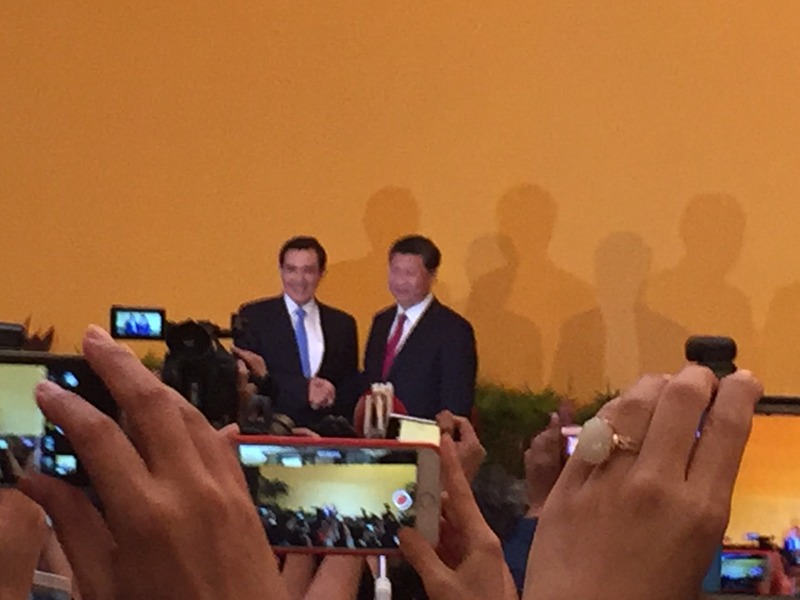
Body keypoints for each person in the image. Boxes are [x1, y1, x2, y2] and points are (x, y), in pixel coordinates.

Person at [235, 236, 360, 430]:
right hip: (270, 431)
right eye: (291, 270)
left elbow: (350, 385)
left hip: (325, 435)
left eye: (308, 271)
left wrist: (331, 392)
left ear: (321, 273)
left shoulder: (342, 324)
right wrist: (303, 390)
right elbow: (250, 380)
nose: (299, 280)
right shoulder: (254, 317)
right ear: (281, 271)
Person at [363, 235, 477, 419]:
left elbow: (456, 403)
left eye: (409, 274)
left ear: (432, 276)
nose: (400, 281)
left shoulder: (454, 330)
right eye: (395, 271)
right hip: (376, 433)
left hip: (424, 433)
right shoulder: (381, 321)